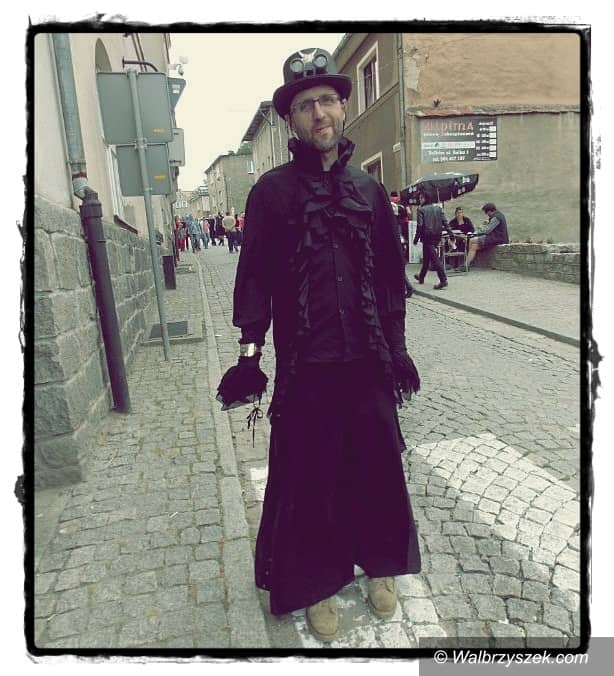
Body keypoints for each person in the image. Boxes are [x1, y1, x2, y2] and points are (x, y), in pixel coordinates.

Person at [216, 47, 421, 643]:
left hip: (368, 361)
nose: (319, 114)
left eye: (327, 101)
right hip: (307, 365)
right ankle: (316, 582)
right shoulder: (271, 193)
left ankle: (381, 564)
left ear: (342, 108)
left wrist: (398, 349)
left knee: (377, 467)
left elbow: (390, 279)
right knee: (311, 476)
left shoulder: (368, 190)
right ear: (292, 119)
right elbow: (254, 277)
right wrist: (250, 355)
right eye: (306, 106)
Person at [413, 192, 449, 289]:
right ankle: (421, 276)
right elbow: (445, 222)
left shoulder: (421, 209)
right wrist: (451, 233)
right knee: (426, 257)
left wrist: (416, 238)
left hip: (427, 236)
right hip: (437, 235)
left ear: (425, 199)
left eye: (421, 198)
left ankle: (443, 280)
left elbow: (420, 225)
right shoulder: (438, 208)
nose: (419, 200)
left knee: (434, 258)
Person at [465, 202, 509, 268]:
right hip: (497, 237)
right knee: (474, 246)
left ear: (489, 211)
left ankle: (466, 264)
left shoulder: (496, 217)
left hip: (497, 238)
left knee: (471, 240)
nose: (487, 215)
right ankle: (467, 264)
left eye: (486, 213)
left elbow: (487, 230)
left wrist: (475, 233)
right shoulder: (498, 215)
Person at [390, 191, 410, 262]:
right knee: (401, 241)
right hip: (401, 225)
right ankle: (402, 257)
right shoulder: (402, 205)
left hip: (393, 225)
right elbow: (408, 213)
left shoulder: (389, 204)